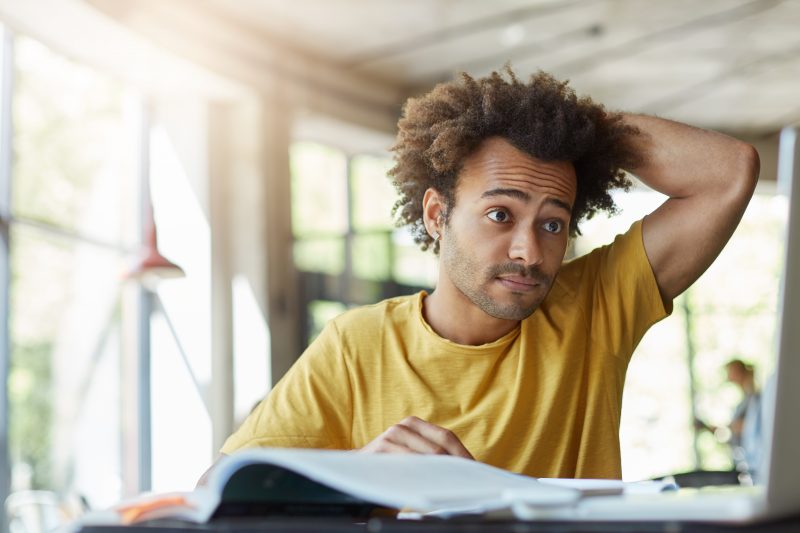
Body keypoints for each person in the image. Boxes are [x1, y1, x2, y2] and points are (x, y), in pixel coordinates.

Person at [206, 68, 759, 482]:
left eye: (552, 223)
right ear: (435, 215)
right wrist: (357, 480)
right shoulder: (357, 346)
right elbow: (216, 493)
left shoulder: (594, 308)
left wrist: (578, 127)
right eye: (500, 214)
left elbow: (729, 171)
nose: (529, 250)